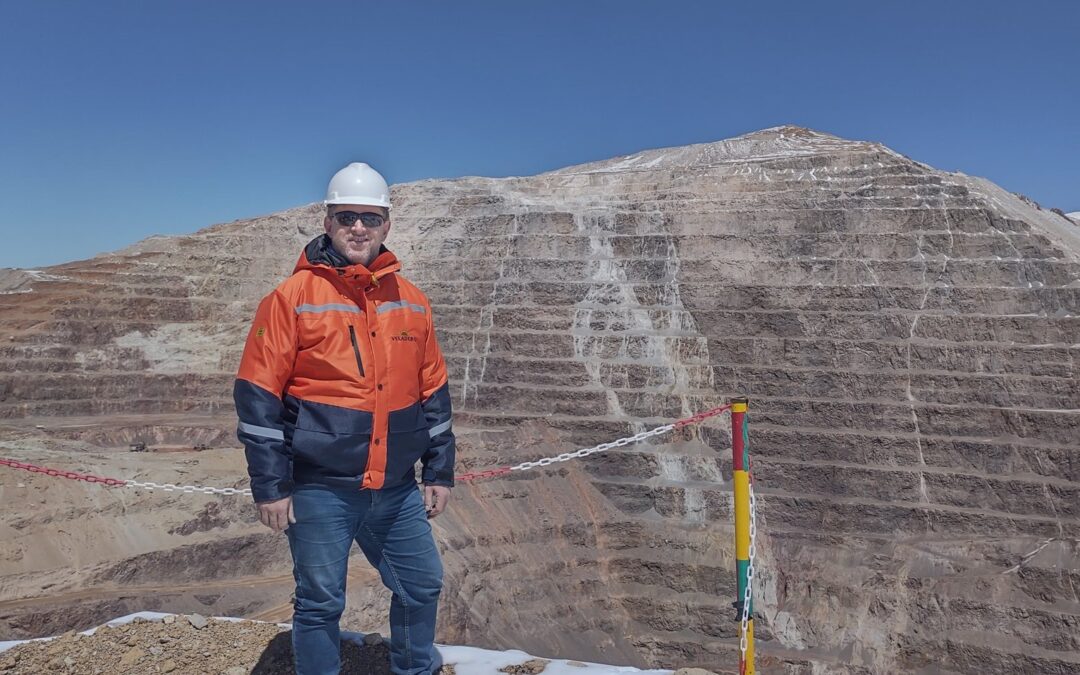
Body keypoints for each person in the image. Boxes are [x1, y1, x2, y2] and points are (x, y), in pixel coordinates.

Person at [233, 162, 455, 675]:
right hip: (319, 488)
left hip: (396, 488)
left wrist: (439, 471)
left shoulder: (412, 303)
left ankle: (413, 669)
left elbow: (433, 392)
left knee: (421, 585)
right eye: (348, 216)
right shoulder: (291, 299)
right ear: (328, 221)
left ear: (386, 225)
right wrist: (271, 486)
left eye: (370, 218)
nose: (360, 227)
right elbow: (257, 396)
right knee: (320, 603)